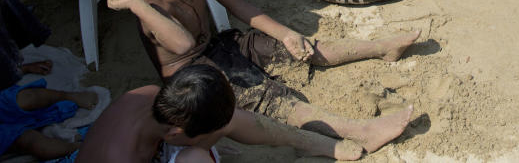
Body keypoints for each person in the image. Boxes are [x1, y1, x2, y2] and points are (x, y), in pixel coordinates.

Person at [107, 0, 419, 154]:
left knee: (296, 48)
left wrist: (286, 34)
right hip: (195, 77)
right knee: (274, 100)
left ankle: (380, 48)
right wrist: (136, 4)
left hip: (220, 45)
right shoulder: (151, 9)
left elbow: (236, 4)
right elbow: (184, 44)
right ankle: (359, 131)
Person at [75, 64, 365, 162]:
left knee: (231, 119)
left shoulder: (154, 95)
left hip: (159, 142)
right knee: (196, 158)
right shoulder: (121, 157)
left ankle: (314, 142)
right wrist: (201, 147)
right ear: (176, 134)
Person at [0, 60, 96, 160]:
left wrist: (24, 68)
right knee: (26, 140)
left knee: (28, 98)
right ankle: (74, 148)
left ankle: (69, 96)